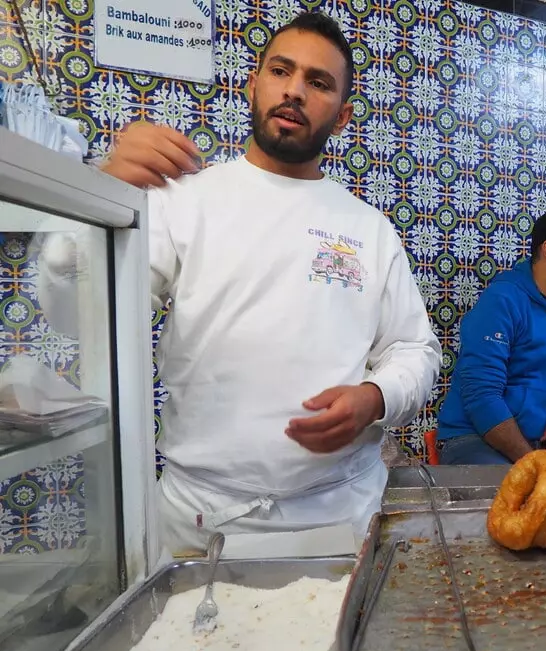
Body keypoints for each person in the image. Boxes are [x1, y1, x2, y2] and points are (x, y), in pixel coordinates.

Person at [38, 12, 440, 556]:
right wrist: (100, 196)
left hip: (338, 514)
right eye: (281, 71)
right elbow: (78, 315)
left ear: (342, 116)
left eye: (318, 82)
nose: (294, 90)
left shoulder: (369, 228)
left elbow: (414, 348)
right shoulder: (185, 199)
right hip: (200, 522)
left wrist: (377, 396)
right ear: (254, 84)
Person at [435, 206, 546, 465]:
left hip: (538, 443)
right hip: (474, 438)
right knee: (529, 498)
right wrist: (533, 464)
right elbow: (482, 396)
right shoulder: (503, 301)